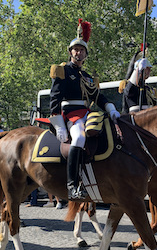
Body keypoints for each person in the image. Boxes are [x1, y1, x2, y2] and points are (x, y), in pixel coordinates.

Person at [49, 19, 121, 201]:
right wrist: (59, 124)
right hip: (71, 114)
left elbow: (98, 97)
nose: (78, 52)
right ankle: (72, 185)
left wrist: (111, 109)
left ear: (85, 54)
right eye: (76, 50)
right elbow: (55, 98)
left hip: (87, 114)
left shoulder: (88, 77)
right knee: (80, 137)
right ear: (70, 52)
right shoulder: (63, 70)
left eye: (82, 50)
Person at [120, 48, 157, 114]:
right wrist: (137, 70)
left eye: (149, 69)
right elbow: (129, 90)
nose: (149, 71)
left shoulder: (149, 89)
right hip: (136, 118)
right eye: (146, 69)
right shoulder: (129, 85)